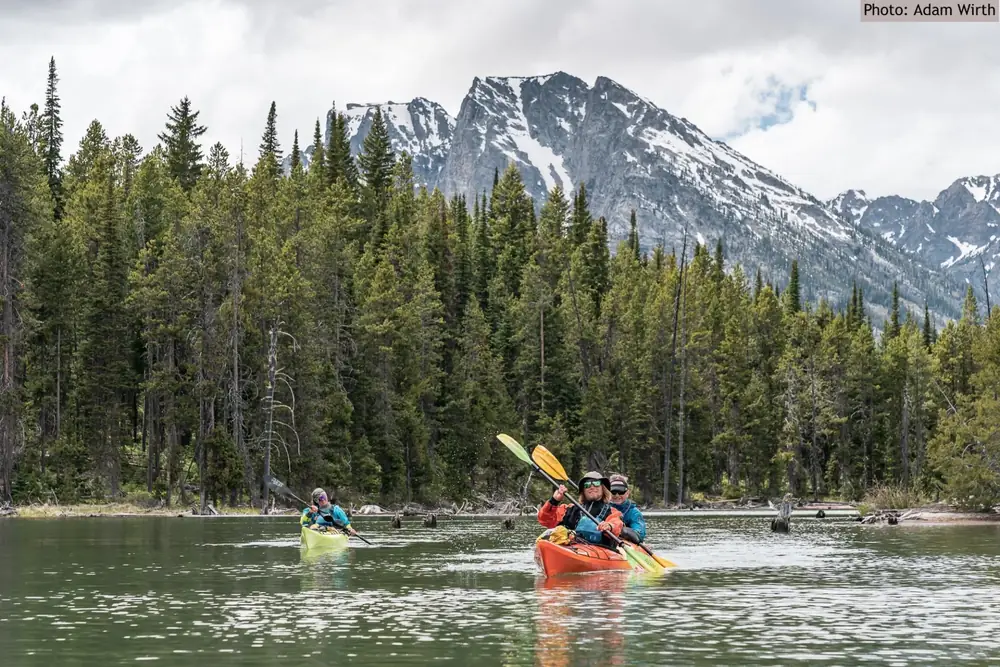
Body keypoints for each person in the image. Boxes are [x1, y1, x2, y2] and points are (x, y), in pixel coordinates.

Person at [537, 471, 624, 548]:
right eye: (587, 485)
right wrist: (554, 501)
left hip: (601, 551)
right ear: (583, 490)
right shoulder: (570, 509)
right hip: (574, 548)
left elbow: (616, 524)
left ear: (603, 488)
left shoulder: (612, 512)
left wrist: (609, 526)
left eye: (596, 483)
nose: (592, 487)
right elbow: (545, 520)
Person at [608, 473, 646, 544]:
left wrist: (623, 532)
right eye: (613, 491)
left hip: (626, 543)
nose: (617, 495)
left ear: (627, 493)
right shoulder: (603, 509)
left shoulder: (634, 513)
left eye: (621, 491)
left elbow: (640, 532)